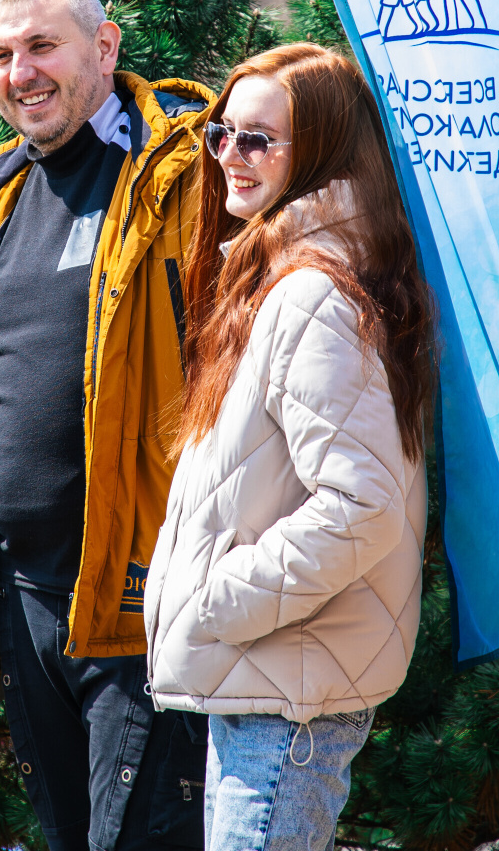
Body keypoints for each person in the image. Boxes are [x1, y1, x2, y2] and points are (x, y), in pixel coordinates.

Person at [0, 0, 214, 850]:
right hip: (26, 609)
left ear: (104, 48)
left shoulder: (182, 172)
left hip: (140, 600)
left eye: (42, 46)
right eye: (1, 54)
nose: (20, 72)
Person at [143, 43, 436, 850]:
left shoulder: (312, 294)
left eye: (259, 139)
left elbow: (361, 507)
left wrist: (217, 599)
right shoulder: (293, 275)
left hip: (287, 700)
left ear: (323, 153)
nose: (230, 157)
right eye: (223, 134)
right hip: (273, 685)